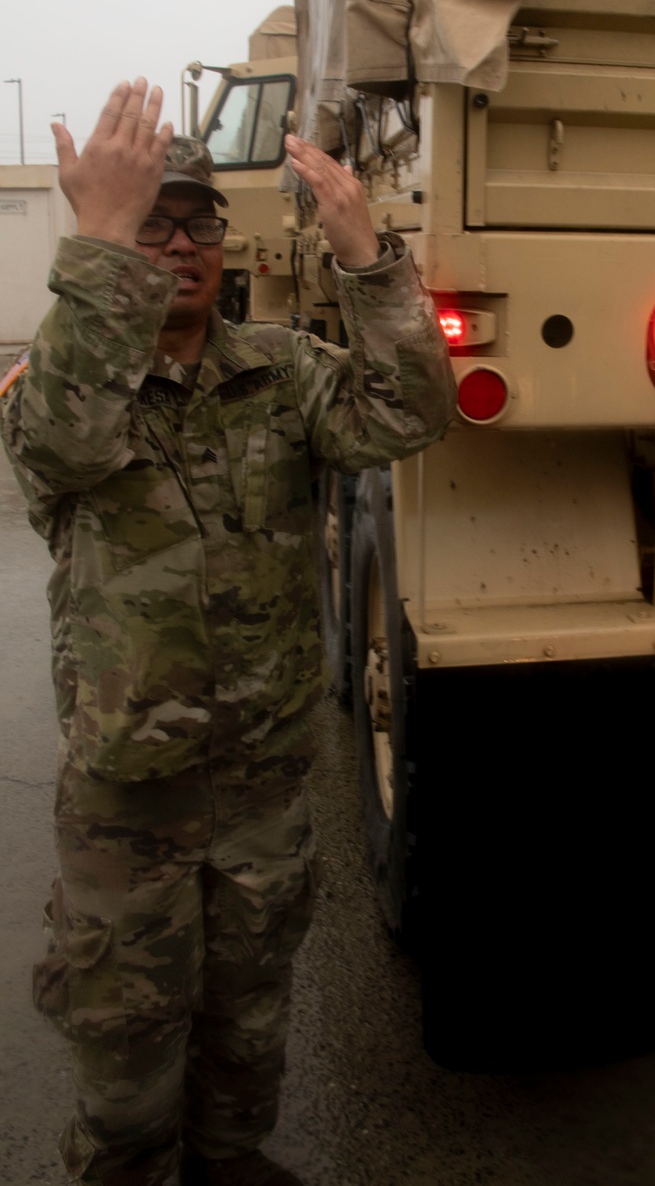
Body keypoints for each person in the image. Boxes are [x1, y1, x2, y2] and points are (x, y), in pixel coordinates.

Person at [1, 79, 456, 1186]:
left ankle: (232, 1164)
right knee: (126, 1055)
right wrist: (102, 240)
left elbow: (413, 413)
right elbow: (60, 446)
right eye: (152, 219)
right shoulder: (66, 390)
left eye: (198, 220)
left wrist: (365, 258)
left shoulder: (283, 373)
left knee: (250, 1026)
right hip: (131, 805)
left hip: (262, 782)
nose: (181, 244)